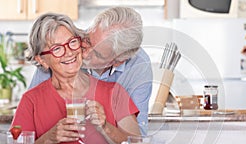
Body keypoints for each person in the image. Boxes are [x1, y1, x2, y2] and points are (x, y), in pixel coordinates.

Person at [11, 13, 140, 144]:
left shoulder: (115, 92)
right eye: (57, 49)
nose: (69, 53)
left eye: (72, 42)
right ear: (42, 60)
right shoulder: (31, 100)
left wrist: (105, 127)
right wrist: (49, 139)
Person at [29, 7, 153, 136]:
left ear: (118, 61)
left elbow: (137, 138)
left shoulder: (138, 66)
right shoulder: (62, 51)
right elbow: (29, 124)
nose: (85, 53)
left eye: (98, 54)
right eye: (87, 40)